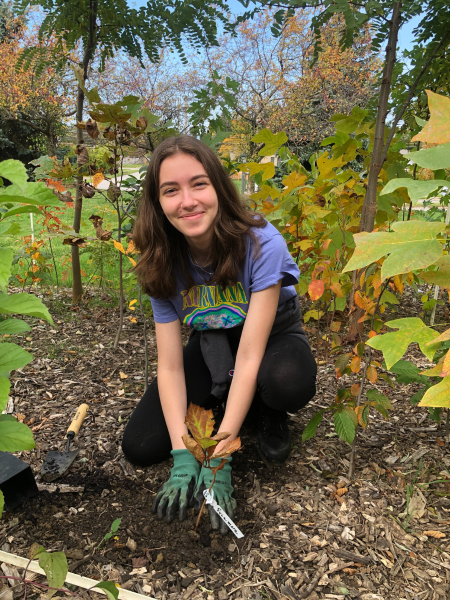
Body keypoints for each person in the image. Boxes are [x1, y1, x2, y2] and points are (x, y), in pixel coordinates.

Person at [122, 135, 317, 534]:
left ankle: (266, 410)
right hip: (213, 338)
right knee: (141, 446)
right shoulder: (160, 261)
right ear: (157, 202)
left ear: (218, 187)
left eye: (198, 183)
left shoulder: (261, 244)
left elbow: (249, 356)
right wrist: (182, 453)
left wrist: (220, 455)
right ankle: (223, 399)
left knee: (284, 381)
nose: (187, 200)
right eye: (170, 190)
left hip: (272, 335)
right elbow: (170, 366)